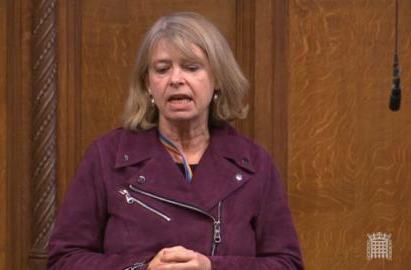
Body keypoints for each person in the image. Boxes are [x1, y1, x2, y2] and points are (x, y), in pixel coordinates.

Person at [48, 12, 303, 270]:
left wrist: (212, 267)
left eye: (192, 67)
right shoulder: (108, 156)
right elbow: (64, 259)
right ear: (148, 84)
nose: (176, 79)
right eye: (162, 69)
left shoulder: (253, 163)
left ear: (217, 80)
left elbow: (287, 264)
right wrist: (142, 268)